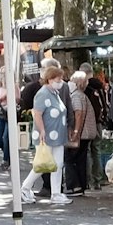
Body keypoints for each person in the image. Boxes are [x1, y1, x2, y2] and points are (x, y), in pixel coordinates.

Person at [32, 60, 71, 203]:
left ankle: (56, 193)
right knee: (42, 164)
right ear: (50, 79)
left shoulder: (55, 93)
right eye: (58, 79)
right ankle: (25, 187)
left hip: (57, 135)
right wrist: (42, 130)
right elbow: (37, 113)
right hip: (47, 134)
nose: (60, 82)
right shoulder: (43, 94)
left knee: (57, 164)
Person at [64, 67, 94, 196]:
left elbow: (78, 115)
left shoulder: (76, 96)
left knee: (69, 159)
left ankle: (74, 185)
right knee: (81, 160)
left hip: (81, 133)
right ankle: (81, 185)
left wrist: (75, 131)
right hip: (87, 134)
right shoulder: (83, 95)